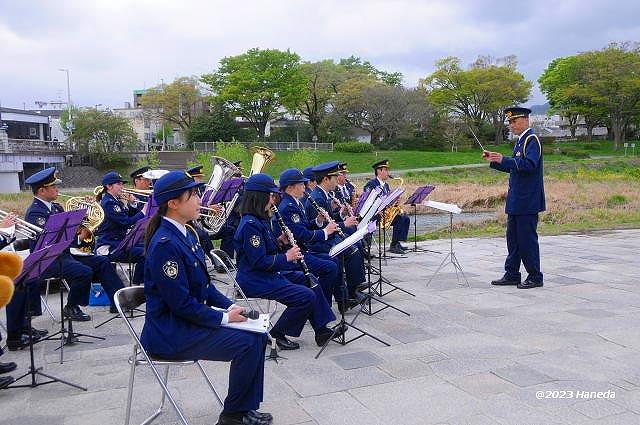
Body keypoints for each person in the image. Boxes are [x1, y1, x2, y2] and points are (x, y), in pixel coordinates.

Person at [141, 170, 272, 425]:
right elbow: (181, 304)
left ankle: (242, 408)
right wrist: (224, 318)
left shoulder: (187, 233)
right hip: (170, 332)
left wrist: (231, 306)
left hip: (185, 322)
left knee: (257, 334)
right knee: (246, 343)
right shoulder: (165, 244)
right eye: (192, 195)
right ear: (173, 204)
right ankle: (233, 416)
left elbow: (204, 286)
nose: (199, 200)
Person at [234, 173, 343, 350]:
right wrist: (287, 257)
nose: (273, 199)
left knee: (310, 281)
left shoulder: (259, 220)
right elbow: (259, 261)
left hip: (266, 274)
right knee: (305, 296)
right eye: (270, 196)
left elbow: (263, 250)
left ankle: (321, 330)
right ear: (259, 197)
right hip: (254, 279)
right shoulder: (250, 225)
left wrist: (279, 241)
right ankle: (277, 333)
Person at [6, 168, 91, 351]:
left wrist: (80, 227)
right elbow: (47, 241)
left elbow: (63, 237)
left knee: (96, 264)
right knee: (21, 280)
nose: (57, 189)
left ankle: (26, 326)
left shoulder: (57, 207)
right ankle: (21, 328)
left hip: (59, 255)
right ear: (42, 190)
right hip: (46, 259)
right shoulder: (35, 212)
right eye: (53, 187)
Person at [483, 107, 545, 289]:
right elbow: (514, 166)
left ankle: (535, 276)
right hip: (517, 200)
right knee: (513, 240)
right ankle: (512, 274)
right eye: (509, 122)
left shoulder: (531, 140)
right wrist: (495, 160)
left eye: (514, 121)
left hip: (528, 200)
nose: (511, 125)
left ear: (525, 120)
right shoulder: (520, 141)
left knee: (527, 240)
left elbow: (529, 165)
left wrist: (505, 159)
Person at [277, 169, 342, 307]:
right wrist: (325, 231)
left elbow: (304, 226)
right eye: (301, 185)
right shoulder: (288, 206)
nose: (304, 187)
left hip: (301, 250)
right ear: (290, 187)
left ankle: (326, 302)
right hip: (294, 254)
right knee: (330, 267)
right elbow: (301, 234)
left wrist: (318, 221)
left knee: (334, 260)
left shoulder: (295, 202)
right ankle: (321, 304)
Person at [307, 162, 366, 310]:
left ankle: (348, 294)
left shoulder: (323, 195)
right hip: (319, 242)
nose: (337, 180)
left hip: (328, 237)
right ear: (326, 179)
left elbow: (329, 219)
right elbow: (318, 227)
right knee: (351, 250)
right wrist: (344, 224)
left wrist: (340, 214)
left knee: (354, 244)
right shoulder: (318, 197)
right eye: (334, 177)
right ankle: (352, 291)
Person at [94, 171, 146, 285]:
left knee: (151, 247)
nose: (122, 187)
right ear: (109, 186)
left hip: (120, 242)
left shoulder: (116, 200)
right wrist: (143, 211)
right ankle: (137, 284)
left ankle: (141, 282)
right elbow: (126, 222)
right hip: (110, 245)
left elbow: (129, 216)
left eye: (122, 184)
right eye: (119, 184)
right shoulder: (109, 203)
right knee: (145, 254)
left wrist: (132, 204)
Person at [364, 159, 410, 254]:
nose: (388, 172)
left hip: (385, 213)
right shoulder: (371, 184)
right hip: (375, 214)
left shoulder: (386, 185)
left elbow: (387, 201)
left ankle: (395, 243)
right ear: (379, 171)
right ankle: (366, 248)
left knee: (404, 218)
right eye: (386, 170)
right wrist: (376, 209)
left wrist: (394, 201)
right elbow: (367, 201)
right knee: (400, 218)